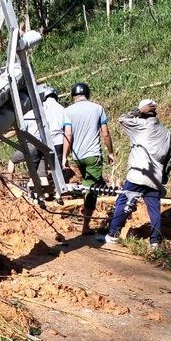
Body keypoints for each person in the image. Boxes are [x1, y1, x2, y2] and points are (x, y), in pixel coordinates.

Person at [96, 97, 171, 251]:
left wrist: (138, 111)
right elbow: (169, 158)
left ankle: (113, 235)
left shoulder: (139, 125)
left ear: (143, 113)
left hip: (137, 176)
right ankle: (155, 242)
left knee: (123, 203)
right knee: (154, 211)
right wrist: (162, 180)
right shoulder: (166, 133)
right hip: (155, 179)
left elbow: (122, 119)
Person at [62, 82, 115, 234]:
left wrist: (64, 156)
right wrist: (110, 152)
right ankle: (85, 226)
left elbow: (68, 134)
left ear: (74, 97)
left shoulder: (68, 111)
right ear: (87, 94)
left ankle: (85, 216)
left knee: (88, 185)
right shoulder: (98, 108)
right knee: (91, 189)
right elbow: (105, 133)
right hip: (93, 156)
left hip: (78, 157)